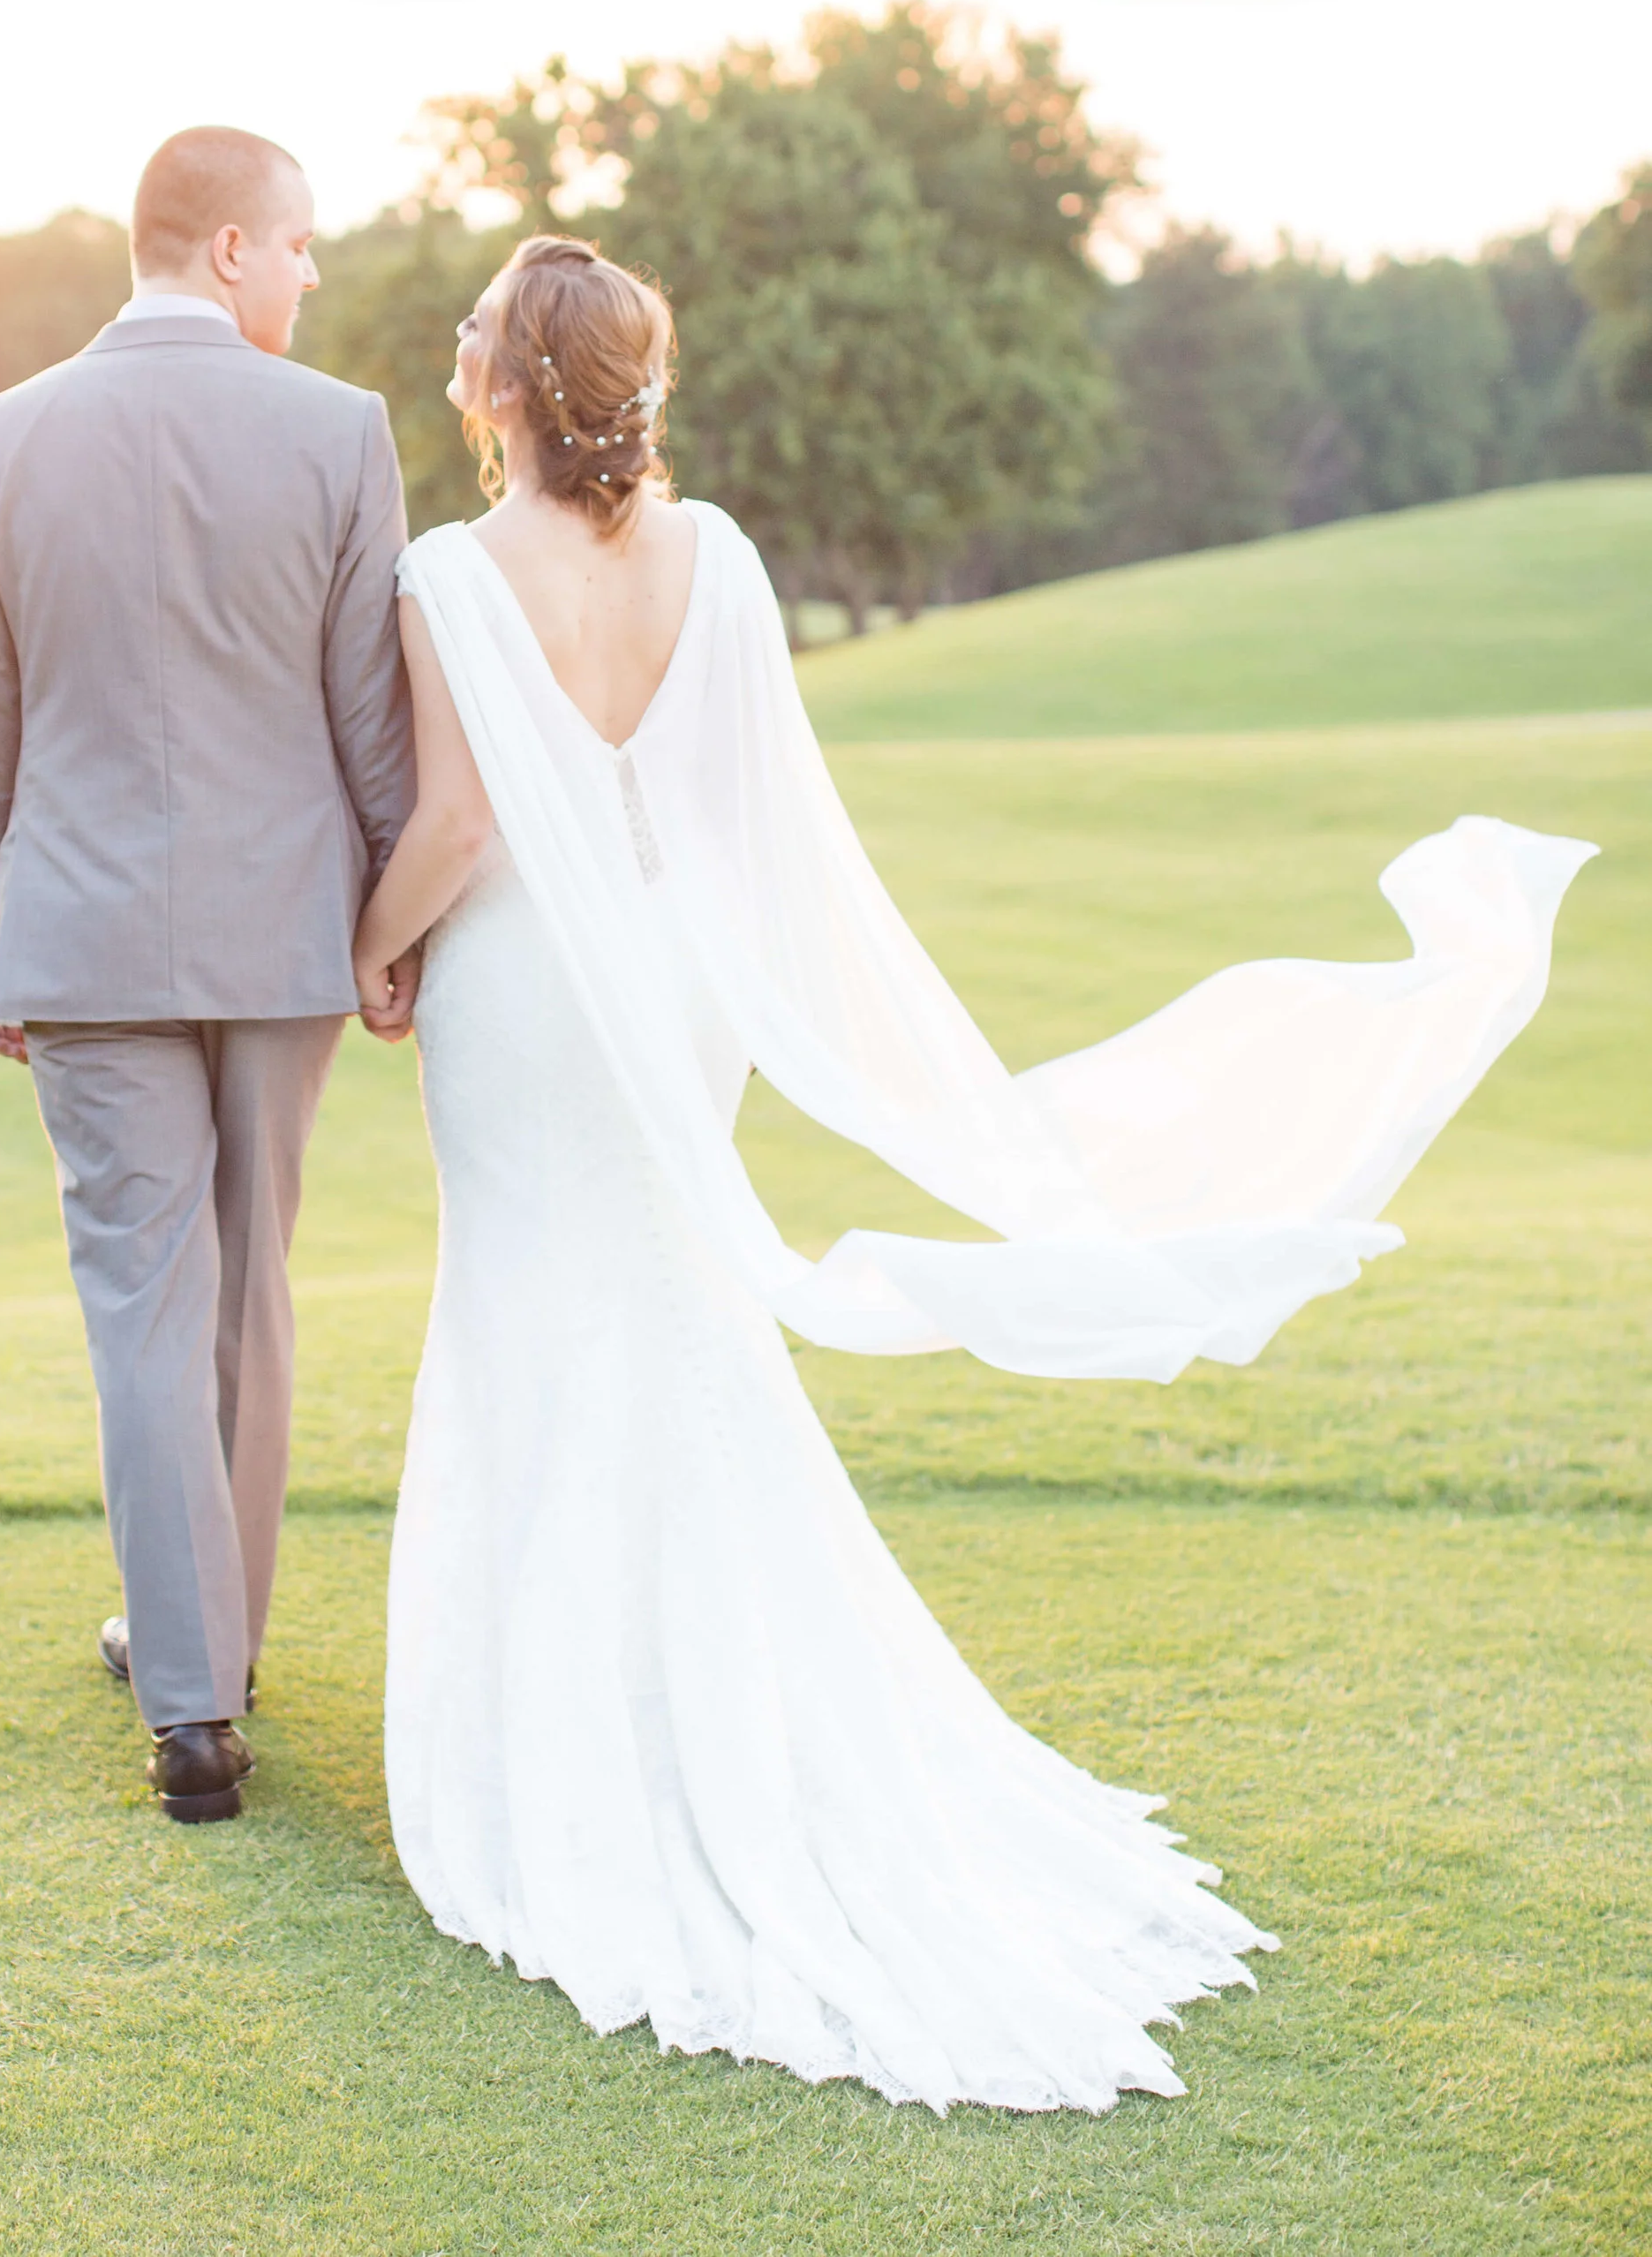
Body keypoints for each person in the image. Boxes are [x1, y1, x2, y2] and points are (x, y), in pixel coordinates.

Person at [349, 231, 1591, 2113]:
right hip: (678, 987)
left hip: (522, 983)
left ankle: (573, 1750)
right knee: (660, 1303)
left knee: (530, 1310)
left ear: (511, 384)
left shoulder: (449, 570)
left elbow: (454, 818)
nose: (451, 358)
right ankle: (690, 1717)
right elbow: (743, 820)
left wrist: (372, 945)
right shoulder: (719, 558)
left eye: (467, 341)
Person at [0, 125, 413, 1824]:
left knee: (146, 1295)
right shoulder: (343, 432)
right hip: (285, 938)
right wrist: (390, 933)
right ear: (226, 246)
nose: (306, 280)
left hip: (76, 933)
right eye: (297, 251)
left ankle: (189, 1690)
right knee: (247, 1289)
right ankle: (216, 1643)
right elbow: (373, 721)